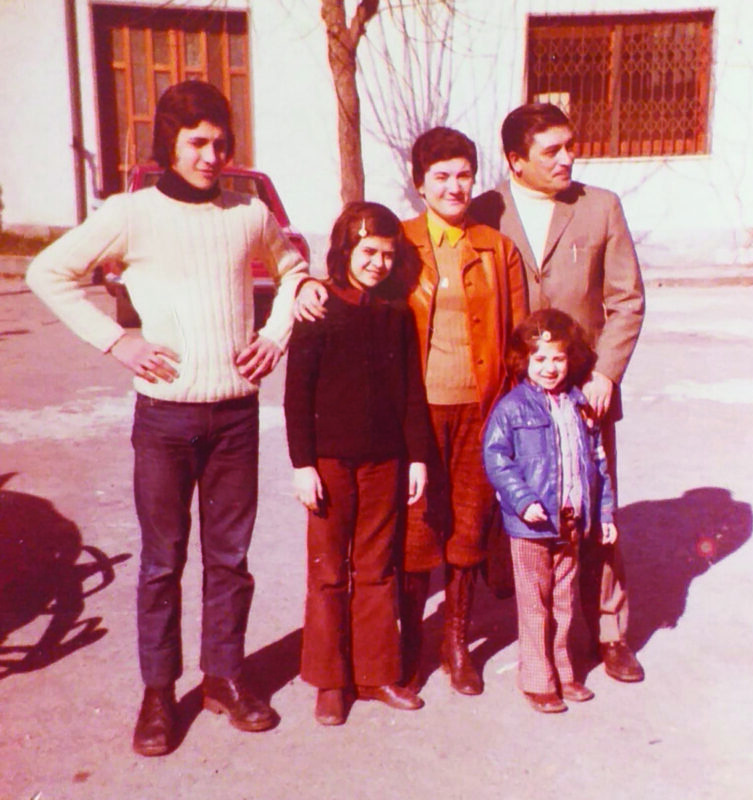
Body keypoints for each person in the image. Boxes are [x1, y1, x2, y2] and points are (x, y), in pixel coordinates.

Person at [26, 80, 320, 756]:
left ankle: (224, 678)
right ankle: (159, 694)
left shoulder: (248, 213)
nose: (211, 155)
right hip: (163, 421)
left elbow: (294, 267)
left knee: (230, 559)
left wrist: (275, 335)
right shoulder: (131, 213)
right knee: (162, 563)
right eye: (196, 142)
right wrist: (118, 340)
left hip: (235, 418)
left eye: (220, 142)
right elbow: (48, 272)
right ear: (169, 144)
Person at [470, 103, 646, 683]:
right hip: (515, 397)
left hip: (585, 391)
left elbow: (627, 301)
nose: (568, 157)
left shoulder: (601, 208)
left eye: (570, 145)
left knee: (598, 513)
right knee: (521, 507)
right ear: (516, 160)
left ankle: (609, 631)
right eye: (552, 150)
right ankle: (533, 633)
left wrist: (606, 374)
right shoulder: (484, 210)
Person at [284, 202, 430, 725]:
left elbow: (411, 391)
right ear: (346, 249)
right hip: (328, 463)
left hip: (384, 461)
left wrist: (416, 458)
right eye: (368, 251)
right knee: (328, 572)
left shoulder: (396, 312)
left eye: (387, 255)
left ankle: (375, 673)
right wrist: (303, 464)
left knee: (376, 567)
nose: (377, 263)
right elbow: (296, 395)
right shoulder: (319, 308)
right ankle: (330, 680)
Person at [394, 127, 527, 695]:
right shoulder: (396, 242)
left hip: (481, 409)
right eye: (441, 176)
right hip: (415, 412)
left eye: (463, 174)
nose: (454, 186)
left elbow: (519, 339)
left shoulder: (496, 249)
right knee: (417, 527)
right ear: (420, 183)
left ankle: (455, 642)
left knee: (470, 525)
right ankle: (406, 643)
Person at [483, 309, 616, 713]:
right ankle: (537, 678)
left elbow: (598, 463)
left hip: (571, 519)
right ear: (525, 360)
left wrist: (605, 514)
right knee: (534, 603)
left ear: (571, 359)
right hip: (530, 527)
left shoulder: (579, 406)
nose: (550, 368)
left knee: (563, 601)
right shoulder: (512, 408)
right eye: (539, 359)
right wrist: (523, 500)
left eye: (558, 358)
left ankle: (563, 669)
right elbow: (496, 458)